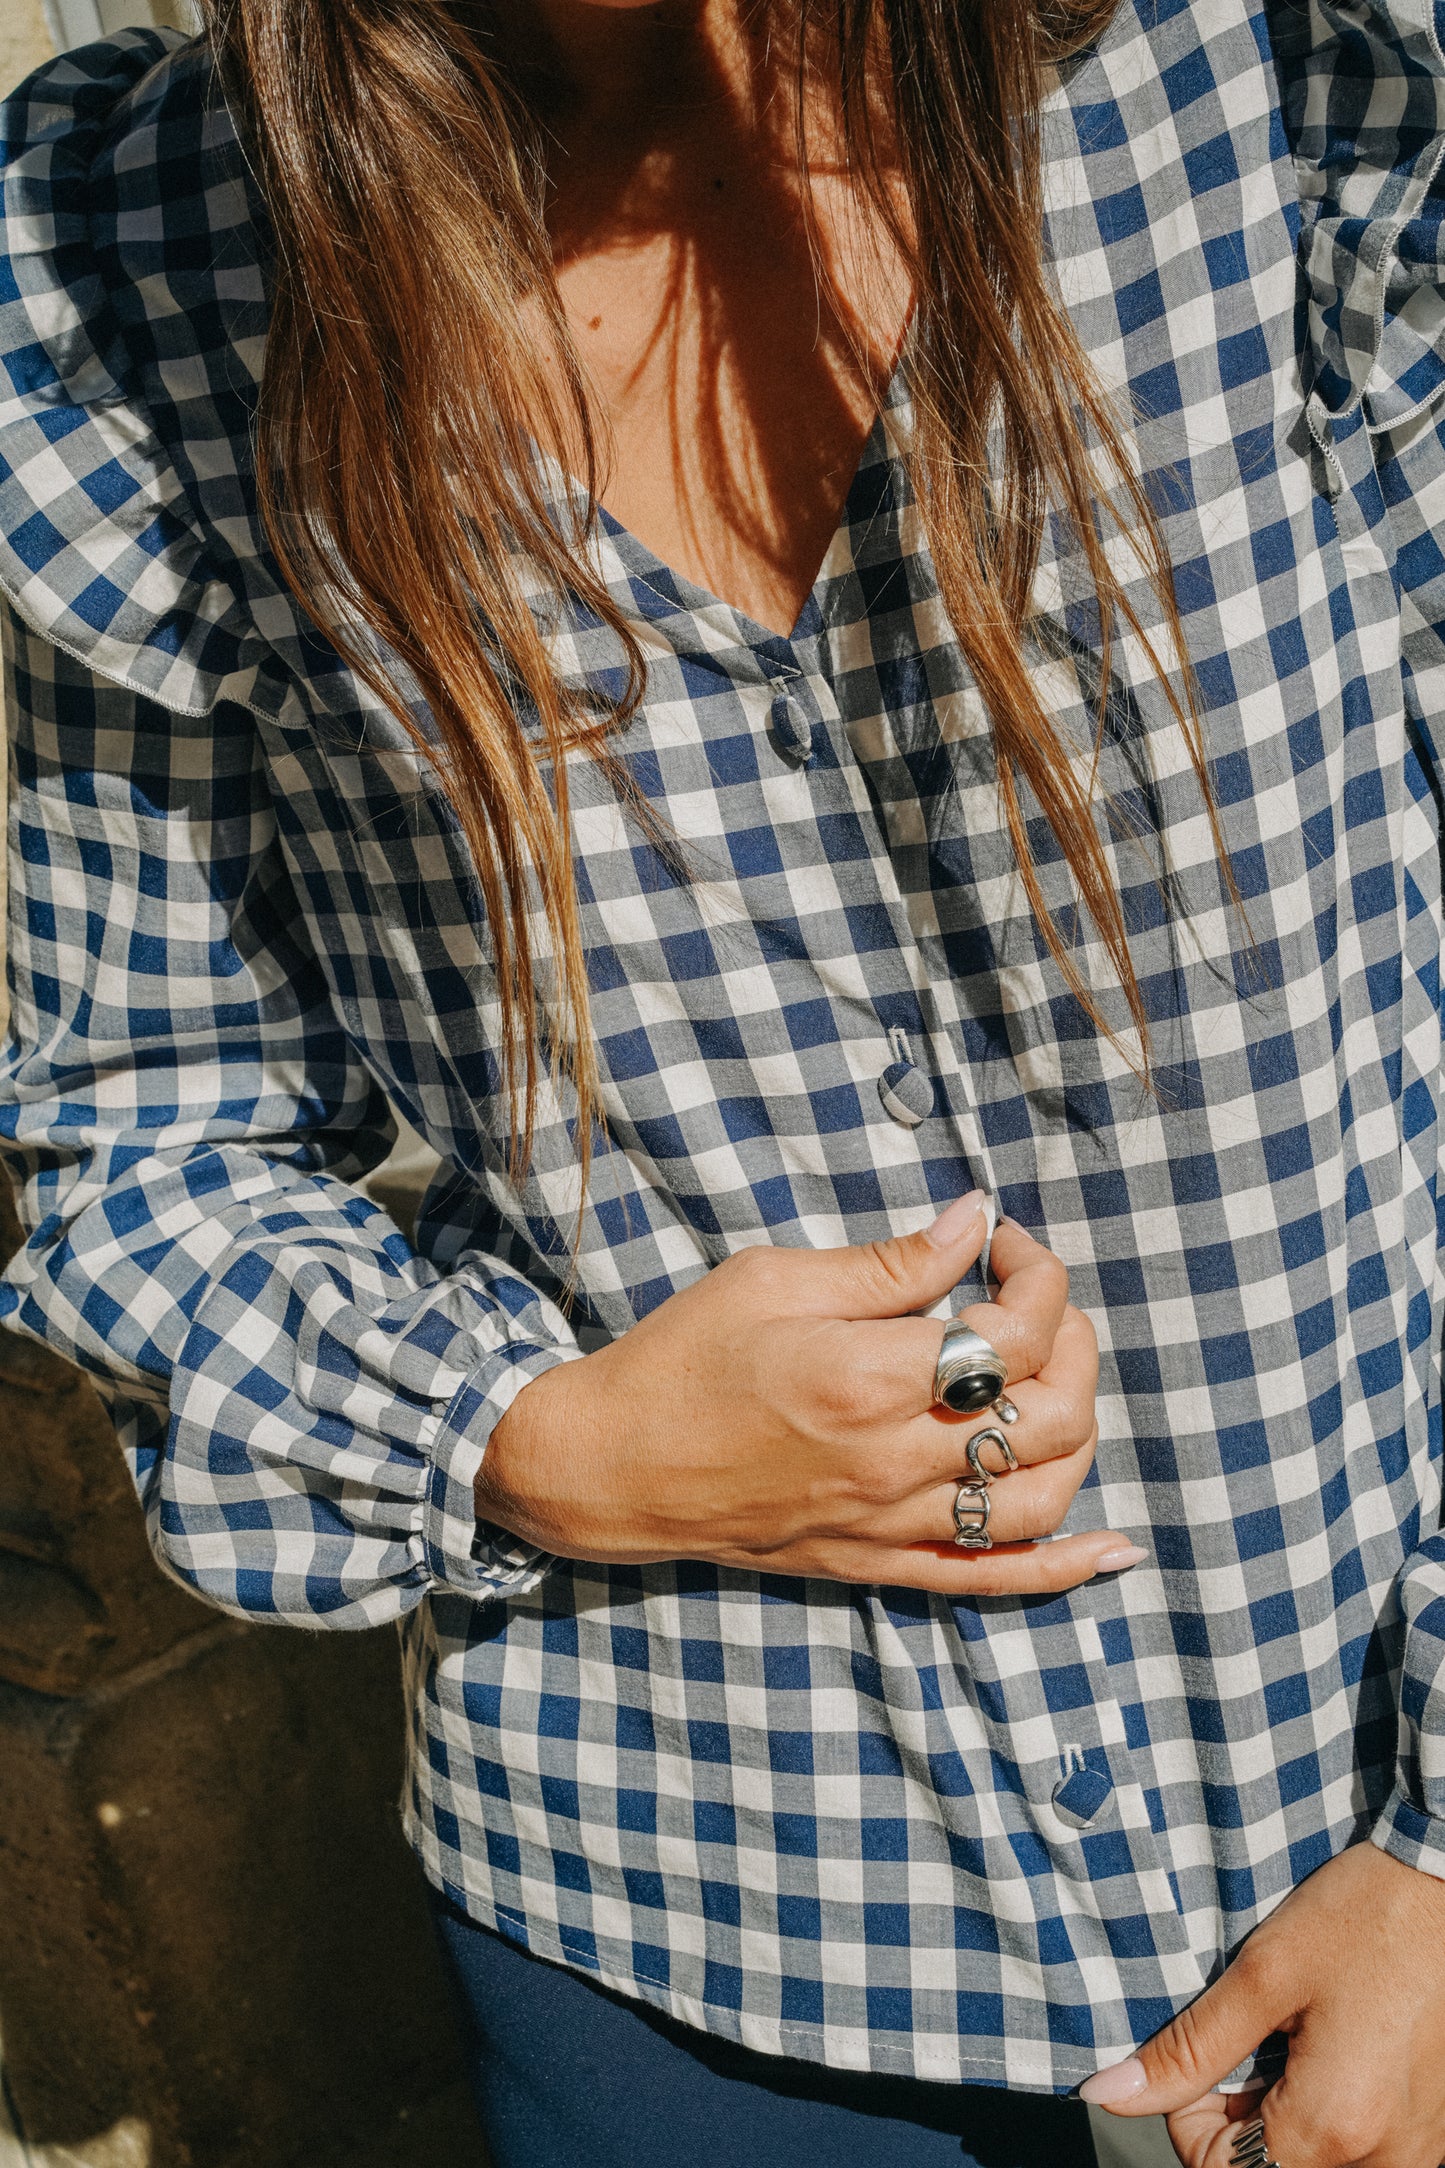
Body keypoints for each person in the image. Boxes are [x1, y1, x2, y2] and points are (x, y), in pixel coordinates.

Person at [3, 0, 1445, 2162]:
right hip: (693, 1942)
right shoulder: (139, 254)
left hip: (1372, 1813)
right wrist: (542, 1442)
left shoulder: (1276, 63)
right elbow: (144, 1129)